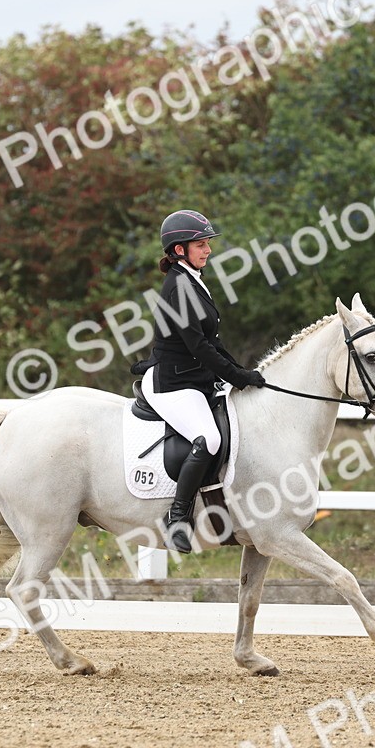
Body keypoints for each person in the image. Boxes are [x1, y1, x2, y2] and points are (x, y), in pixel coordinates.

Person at [130, 209, 265, 553]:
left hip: (194, 378)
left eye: (207, 244)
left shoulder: (193, 278)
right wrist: (235, 375)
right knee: (210, 439)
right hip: (172, 382)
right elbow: (198, 346)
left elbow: (213, 340)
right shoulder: (179, 285)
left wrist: (241, 372)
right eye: (201, 244)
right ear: (179, 250)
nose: (207, 250)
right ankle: (177, 517)